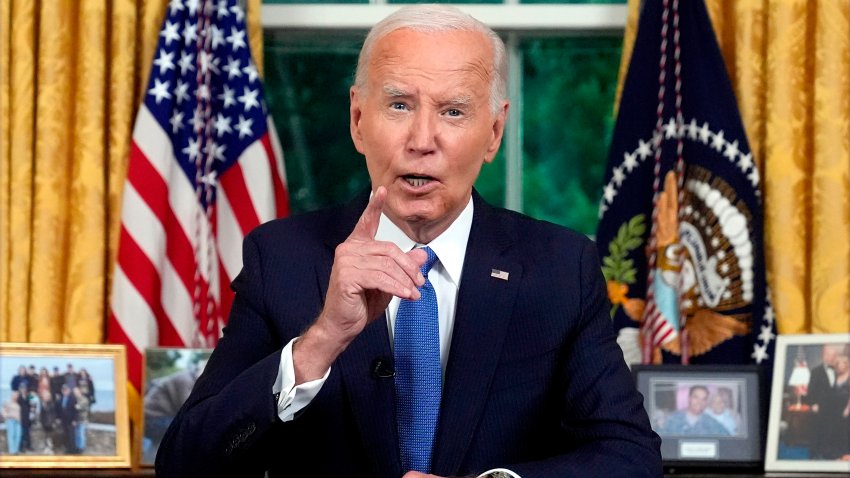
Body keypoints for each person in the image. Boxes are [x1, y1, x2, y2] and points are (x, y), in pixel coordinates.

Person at [155, 5, 661, 478]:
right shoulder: (282, 257)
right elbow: (185, 464)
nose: (422, 139)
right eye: (399, 105)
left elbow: (631, 458)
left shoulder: (560, 267)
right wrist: (322, 339)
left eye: (454, 112)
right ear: (358, 121)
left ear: (494, 132)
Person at [142, 358, 207, 464]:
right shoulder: (184, 380)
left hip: (162, 418)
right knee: (188, 430)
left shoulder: (191, 377)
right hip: (151, 420)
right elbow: (188, 409)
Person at [806, 344, 841, 459]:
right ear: (823, 356)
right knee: (818, 431)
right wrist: (813, 404)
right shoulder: (815, 371)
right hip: (820, 408)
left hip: (835, 409)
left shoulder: (839, 371)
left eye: (833, 355)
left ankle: (830, 454)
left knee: (833, 432)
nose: (831, 358)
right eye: (828, 355)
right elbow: (810, 392)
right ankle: (815, 454)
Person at [660, 385, 729, 436]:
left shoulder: (712, 423)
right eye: (696, 397)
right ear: (689, 398)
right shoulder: (671, 419)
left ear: (706, 402)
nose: (699, 402)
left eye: (703, 399)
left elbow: (728, 440)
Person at [58, 384, 78, 454]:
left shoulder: (73, 399)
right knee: (66, 435)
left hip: (71, 420)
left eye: (66, 390)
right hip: (64, 421)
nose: (65, 391)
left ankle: (73, 451)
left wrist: (75, 420)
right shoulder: (61, 398)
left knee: (72, 436)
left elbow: (75, 410)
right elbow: (59, 410)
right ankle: (68, 450)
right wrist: (59, 418)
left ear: (69, 390)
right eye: (63, 390)